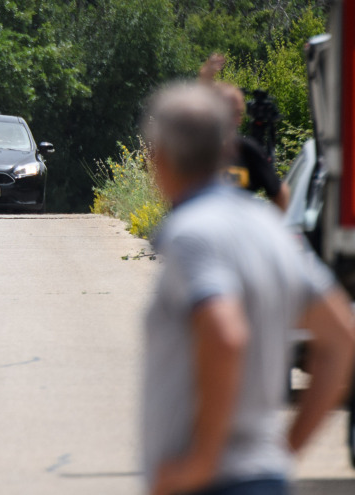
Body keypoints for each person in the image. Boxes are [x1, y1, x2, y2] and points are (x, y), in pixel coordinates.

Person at [141, 82, 355, 495]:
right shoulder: (270, 231)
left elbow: (226, 334)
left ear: (160, 157)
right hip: (264, 477)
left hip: (214, 483)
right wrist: (284, 453)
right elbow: (343, 338)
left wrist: (203, 460)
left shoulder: (190, 234)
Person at [199, 54, 290, 211]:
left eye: (239, 113)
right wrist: (205, 80)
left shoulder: (246, 150)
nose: (238, 121)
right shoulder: (195, 151)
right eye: (232, 113)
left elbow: (280, 193)